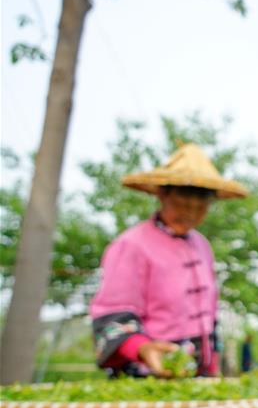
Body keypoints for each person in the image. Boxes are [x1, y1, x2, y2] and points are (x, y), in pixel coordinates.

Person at [89, 143, 248, 378]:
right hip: (146, 375)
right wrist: (143, 348)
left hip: (196, 374)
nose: (190, 212)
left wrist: (211, 363)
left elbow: (209, 316)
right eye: (183, 203)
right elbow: (114, 313)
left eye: (200, 205)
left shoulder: (202, 245)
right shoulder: (132, 244)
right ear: (163, 194)